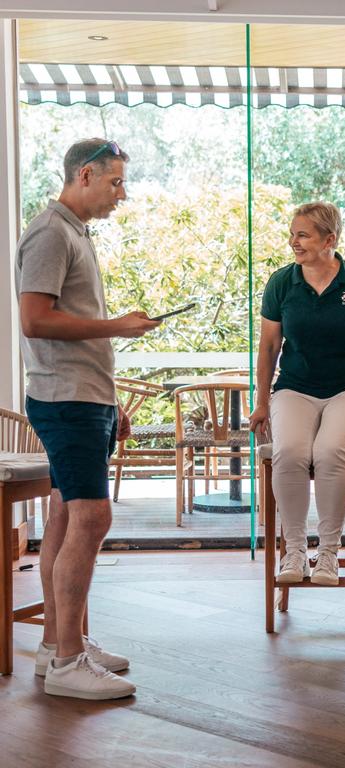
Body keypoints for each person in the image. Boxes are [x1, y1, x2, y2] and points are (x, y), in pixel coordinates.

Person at [16, 138, 161, 700]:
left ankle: (59, 644)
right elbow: (35, 320)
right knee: (91, 518)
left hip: (85, 397)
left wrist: (110, 402)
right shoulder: (50, 233)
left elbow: (71, 321)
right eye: (115, 182)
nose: (122, 193)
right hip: (65, 400)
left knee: (63, 517)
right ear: (84, 175)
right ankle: (69, 662)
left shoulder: (74, 233)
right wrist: (117, 327)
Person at [249, 202, 345, 587]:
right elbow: (268, 348)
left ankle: (328, 553)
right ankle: (295, 550)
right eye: (293, 233)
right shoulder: (282, 283)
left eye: (303, 235)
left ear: (329, 240)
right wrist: (262, 402)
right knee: (291, 452)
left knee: (331, 451)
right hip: (295, 387)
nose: (293, 242)